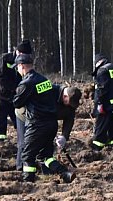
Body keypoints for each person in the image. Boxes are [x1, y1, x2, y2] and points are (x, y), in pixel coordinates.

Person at [11, 54, 74, 184]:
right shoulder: (44, 80)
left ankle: (28, 181)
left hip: (37, 124)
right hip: (51, 123)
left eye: (17, 67)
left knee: (27, 155)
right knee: (45, 156)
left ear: (22, 66)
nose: (17, 70)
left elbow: (16, 103)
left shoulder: (26, 83)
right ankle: (65, 173)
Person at [0, 40, 32, 143]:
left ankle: (24, 140)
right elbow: (1, 78)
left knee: (19, 118)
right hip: (1, 95)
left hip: (14, 96)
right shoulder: (4, 58)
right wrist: (15, 88)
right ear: (19, 52)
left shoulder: (25, 62)